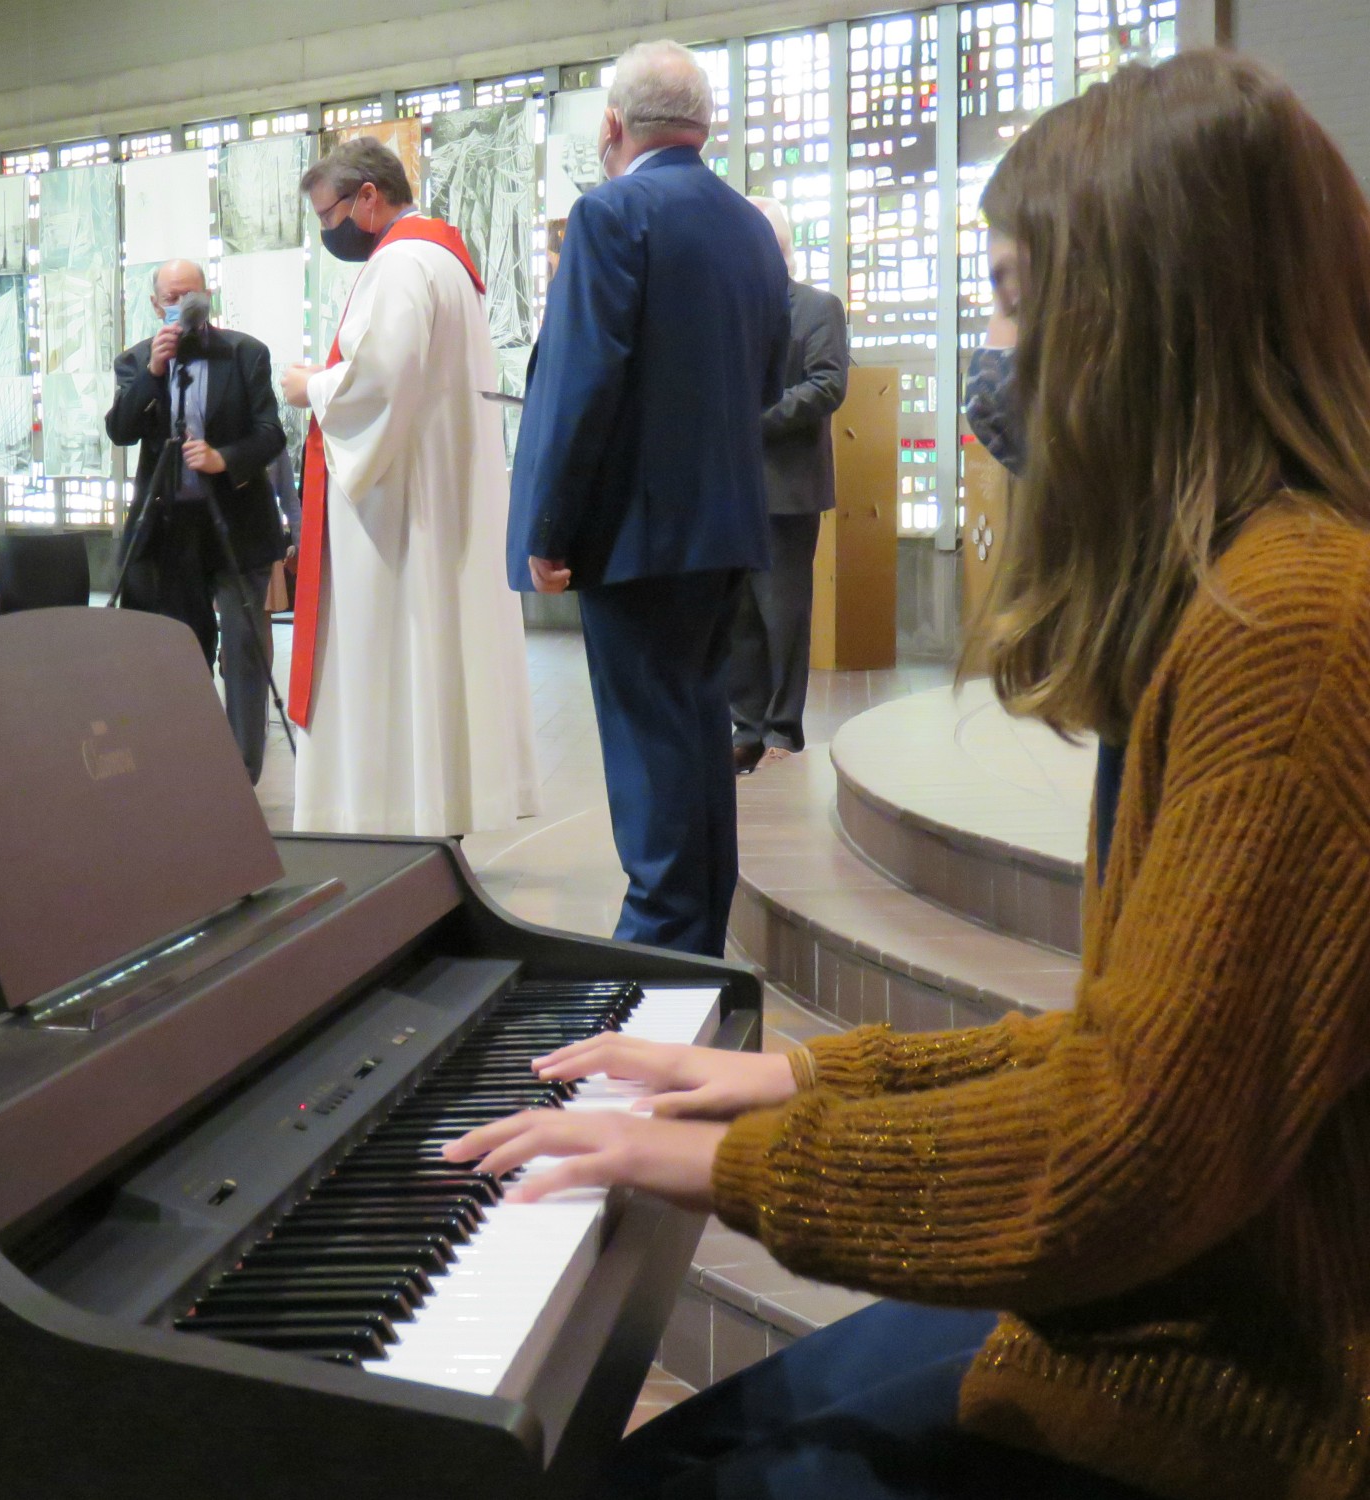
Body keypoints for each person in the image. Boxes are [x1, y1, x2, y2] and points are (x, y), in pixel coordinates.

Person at [451, 51, 1370, 1500]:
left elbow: (1130, 1148)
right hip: (1177, 1311)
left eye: (1011, 300)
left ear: (1142, 325)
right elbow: (1129, 1046)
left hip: (1239, 1395)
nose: (992, 357)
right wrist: (797, 1071)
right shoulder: (1254, 589)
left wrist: (738, 1164)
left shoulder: (1292, 628)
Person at [506, 40, 789, 957]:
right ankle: (696, 941)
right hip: (728, 527)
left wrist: (548, 527)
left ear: (615, 127)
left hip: (634, 535)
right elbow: (767, 376)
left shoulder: (612, 213)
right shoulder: (750, 226)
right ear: (702, 128)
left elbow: (583, 384)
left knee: (648, 753)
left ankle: (657, 960)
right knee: (699, 739)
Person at [281, 138, 539, 837]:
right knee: (435, 660)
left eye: (329, 213)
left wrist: (314, 387)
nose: (328, 230)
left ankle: (392, 818)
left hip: (402, 514)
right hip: (437, 495)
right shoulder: (444, 261)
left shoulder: (400, 263)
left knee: (395, 661)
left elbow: (381, 382)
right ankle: (432, 811)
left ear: (368, 197)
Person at [105, 258, 287, 784]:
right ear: (154, 303)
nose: (181, 305)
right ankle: (191, 767)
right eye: (171, 296)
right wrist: (154, 374)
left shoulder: (247, 353)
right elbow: (120, 430)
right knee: (183, 655)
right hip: (170, 533)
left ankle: (242, 775)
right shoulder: (136, 360)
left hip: (238, 524)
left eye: (190, 295)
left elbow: (272, 432)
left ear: (207, 297)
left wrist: (224, 458)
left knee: (244, 652)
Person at [725, 197, 848, 775]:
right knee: (739, 619)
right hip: (731, 489)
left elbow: (827, 385)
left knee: (784, 617)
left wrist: (757, 420)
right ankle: (745, 727)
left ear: (777, 248)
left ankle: (782, 730)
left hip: (788, 488)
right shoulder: (728, 311)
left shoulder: (819, 308)